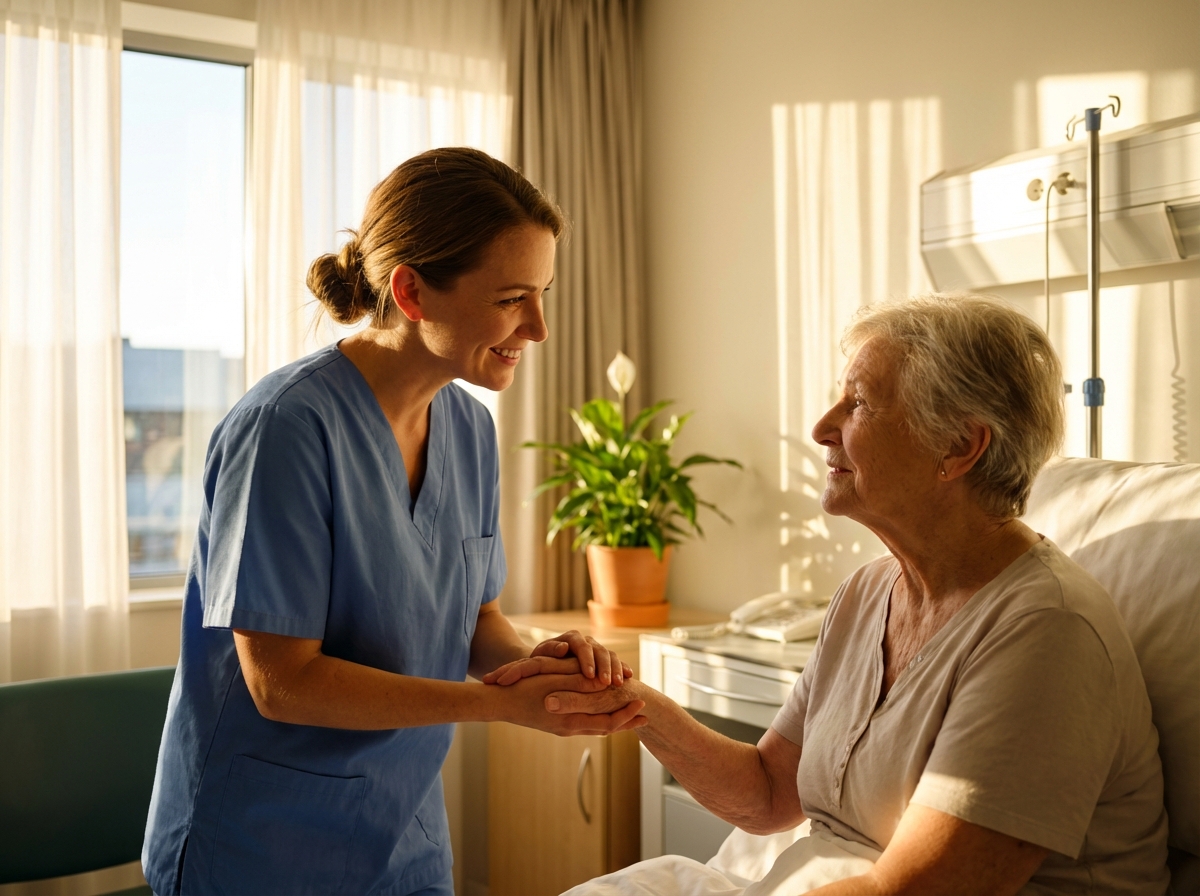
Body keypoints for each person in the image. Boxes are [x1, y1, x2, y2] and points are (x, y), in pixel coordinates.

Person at [142, 148, 643, 896]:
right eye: (512, 297)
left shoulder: (469, 429)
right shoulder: (287, 427)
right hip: (257, 848)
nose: (537, 327)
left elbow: (476, 624)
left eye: (542, 293)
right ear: (411, 291)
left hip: (402, 842)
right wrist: (500, 705)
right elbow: (282, 683)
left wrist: (541, 659)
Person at [553, 295, 1169, 895]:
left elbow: (916, 890)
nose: (823, 428)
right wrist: (629, 702)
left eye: (859, 405)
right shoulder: (867, 592)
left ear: (958, 447)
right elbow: (770, 792)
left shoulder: (1047, 632)